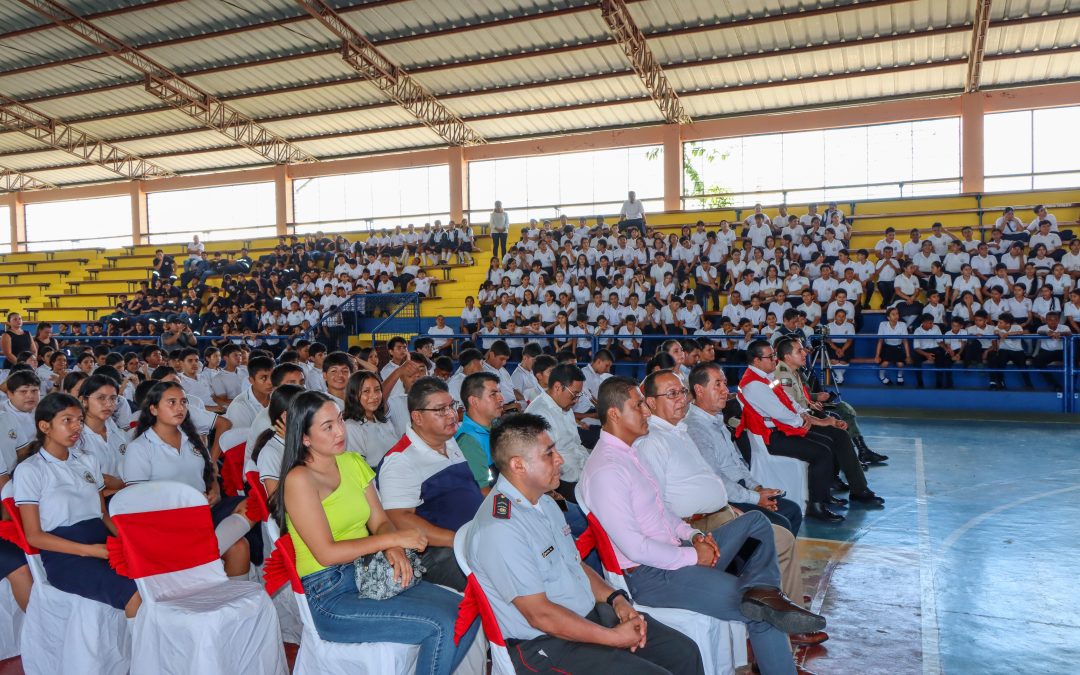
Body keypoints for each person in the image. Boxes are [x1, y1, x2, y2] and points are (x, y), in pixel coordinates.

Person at [579, 377, 821, 675]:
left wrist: (693, 536)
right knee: (760, 611)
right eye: (638, 405)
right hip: (652, 576)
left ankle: (766, 591)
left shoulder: (628, 454)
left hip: (676, 553)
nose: (645, 412)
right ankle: (767, 606)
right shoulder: (608, 470)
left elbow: (662, 511)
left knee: (756, 522)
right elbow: (635, 548)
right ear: (615, 414)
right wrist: (695, 556)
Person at [466, 413, 705, 675]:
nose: (560, 459)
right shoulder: (501, 527)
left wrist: (616, 600)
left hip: (587, 617)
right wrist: (614, 637)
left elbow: (574, 564)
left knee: (683, 651)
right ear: (518, 465)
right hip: (545, 645)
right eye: (549, 453)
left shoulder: (545, 503)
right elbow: (540, 616)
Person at [276, 390, 478, 675]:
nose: (340, 432)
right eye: (328, 427)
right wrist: (392, 539)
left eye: (340, 421)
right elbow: (326, 553)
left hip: (368, 572)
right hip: (330, 593)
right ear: (305, 438)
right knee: (442, 624)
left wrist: (392, 548)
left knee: (466, 611)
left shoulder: (351, 462)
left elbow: (380, 520)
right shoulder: (300, 479)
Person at [634, 369, 820, 644]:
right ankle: (777, 616)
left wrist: (733, 506)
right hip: (696, 526)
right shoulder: (652, 443)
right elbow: (659, 506)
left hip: (719, 512)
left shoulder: (680, 431)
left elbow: (715, 476)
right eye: (672, 394)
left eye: (681, 392)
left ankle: (780, 603)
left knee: (777, 531)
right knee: (777, 536)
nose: (681, 400)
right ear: (650, 403)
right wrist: (695, 534)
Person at [14, 393, 140, 617]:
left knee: (157, 577)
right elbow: (33, 536)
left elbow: (102, 513)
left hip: (102, 544)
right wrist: (89, 551)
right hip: (66, 556)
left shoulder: (87, 460)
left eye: (80, 420)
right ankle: (142, 652)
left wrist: (128, 541)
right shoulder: (31, 470)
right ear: (45, 426)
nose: (77, 427)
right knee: (135, 592)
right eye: (67, 420)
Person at [737, 341, 881, 524]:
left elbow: (788, 401)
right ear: (757, 360)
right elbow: (779, 412)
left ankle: (826, 497)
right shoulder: (753, 384)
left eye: (774, 355)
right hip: (770, 437)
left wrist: (803, 415)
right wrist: (803, 420)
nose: (774, 359)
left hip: (782, 428)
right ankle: (816, 505)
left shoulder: (767, 377)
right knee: (821, 452)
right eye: (770, 356)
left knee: (828, 443)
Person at [122, 381, 253, 578]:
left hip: (202, 510)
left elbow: (210, 473)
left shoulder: (191, 437)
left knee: (254, 505)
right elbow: (137, 500)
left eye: (183, 402)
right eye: (172, 402)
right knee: (238, 546)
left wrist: (215, 491)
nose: (180, 407)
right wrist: (185, 500)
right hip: (169, 519)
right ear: (154, 409)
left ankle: (201, 557)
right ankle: (202, 558)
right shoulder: (140, 448)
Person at [377, 377, 484, 591]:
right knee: (496, 582)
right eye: (440, 410)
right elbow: (398, 519)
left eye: (452, 406)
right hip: (437, 553)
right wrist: (458, 540)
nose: (452, 415)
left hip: (472, 537)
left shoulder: (448, 441)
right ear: (417, 417)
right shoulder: (400, 460)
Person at [683, 362, 804, 536]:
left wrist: (756, 488)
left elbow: (738, 463)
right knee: (780, 523)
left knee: (792, 510)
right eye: (718, 384)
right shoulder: (695, 429)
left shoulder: (716, 419)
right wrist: (755, 498)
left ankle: (775, 561)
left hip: (741, 490)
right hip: (724, 500)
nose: (725, 390)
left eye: (724, 384)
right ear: (699, 390)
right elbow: (716, 480)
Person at [773, 338, 889, 488]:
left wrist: (813, 403)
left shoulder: (793, 372)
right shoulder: (783, 375)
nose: (805, 353)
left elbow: (799, 400)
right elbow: (792, 409)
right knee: (836, 433)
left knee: (839, 423)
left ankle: (852, 478)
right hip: (798, 423)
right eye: (799, 351)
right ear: (787, 356)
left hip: (805, 415)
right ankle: (853, 483)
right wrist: (820, 418)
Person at [524, 364, 593, 501]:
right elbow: (542, 462)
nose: (576, 400)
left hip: (580, 473)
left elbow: (576, 444)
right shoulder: (539, 414)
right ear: (557, 387)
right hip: (562, 482)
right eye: (574, 394)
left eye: (579, 395)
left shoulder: (565, 406)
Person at [75, 374, 127, 496]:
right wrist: (121, 486)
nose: (109, 404)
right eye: (101, 398)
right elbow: (83, 480)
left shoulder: (119, 434)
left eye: (113, 398)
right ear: (84, 400)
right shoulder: (75, 438)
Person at [250, 384, 305, 496]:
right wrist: (292, 444)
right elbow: (276, 501)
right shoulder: (270, 453)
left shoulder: (303, 438)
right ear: (285, 416)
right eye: (306, 411)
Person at [454, 371, 504, 488]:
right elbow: (482, 492)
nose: (501, 398)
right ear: (474, 402)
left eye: (500, 393)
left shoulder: (496, 427)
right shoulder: (470, 441)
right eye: (493, 394)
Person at [342, 370, 398, 468]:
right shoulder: (351, 427)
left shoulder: (384, 421)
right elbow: (358, 469)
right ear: (354, 395)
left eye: (377, 390)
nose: (374, 396)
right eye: (366, 391)